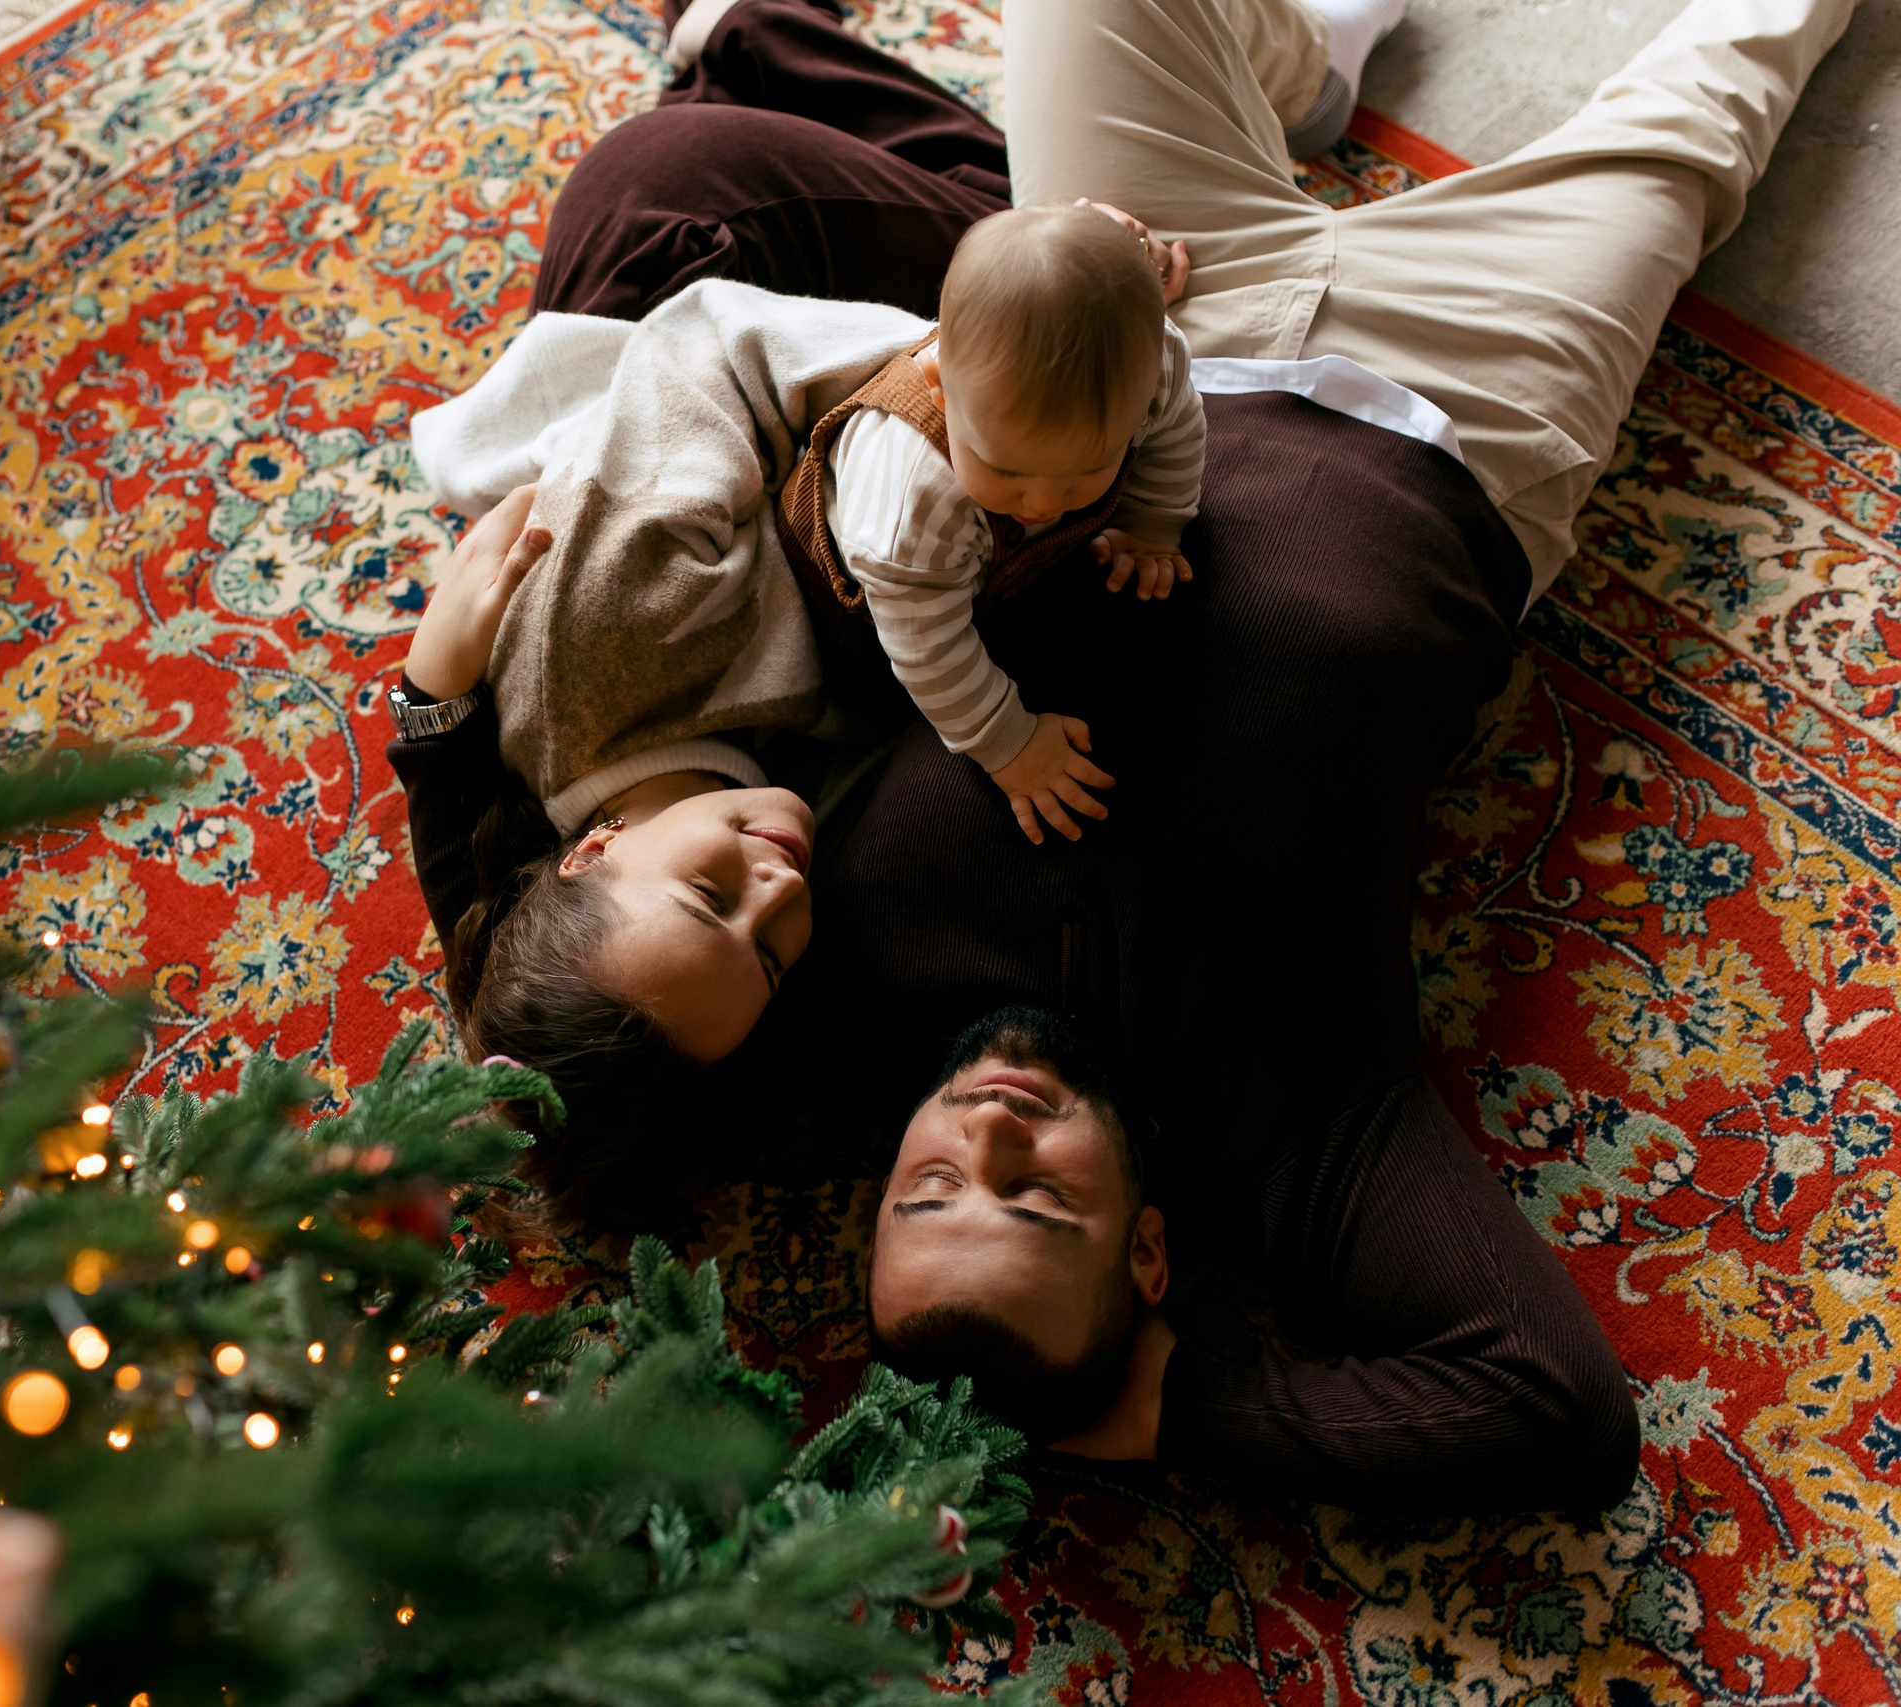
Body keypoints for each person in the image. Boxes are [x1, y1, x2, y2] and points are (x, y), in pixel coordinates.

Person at [392, 0, 1856, 1508]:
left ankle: (1293, 71)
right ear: (1149, 1249)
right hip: (1473, 394)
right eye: (1034, 1206)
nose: (986, 1137)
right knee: (1717, 97)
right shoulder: (1298, 1130)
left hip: (1133, 372)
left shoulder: (821, 1003)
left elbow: (557, 1041)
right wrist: (1171, 1416)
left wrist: (435, 713)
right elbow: (1552, 1409)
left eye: (928, 1186)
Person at [802, 199, 1203, 847]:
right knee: (852, 692)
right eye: (1006, 470)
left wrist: (1155, 521)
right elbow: (926, 646)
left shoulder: (1156, 369)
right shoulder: (909, 501)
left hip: (985, 573)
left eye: (1082, 473)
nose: (1042, 503)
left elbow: (1178, 427)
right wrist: (1008, 744)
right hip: (860, 612)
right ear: (937, 383)